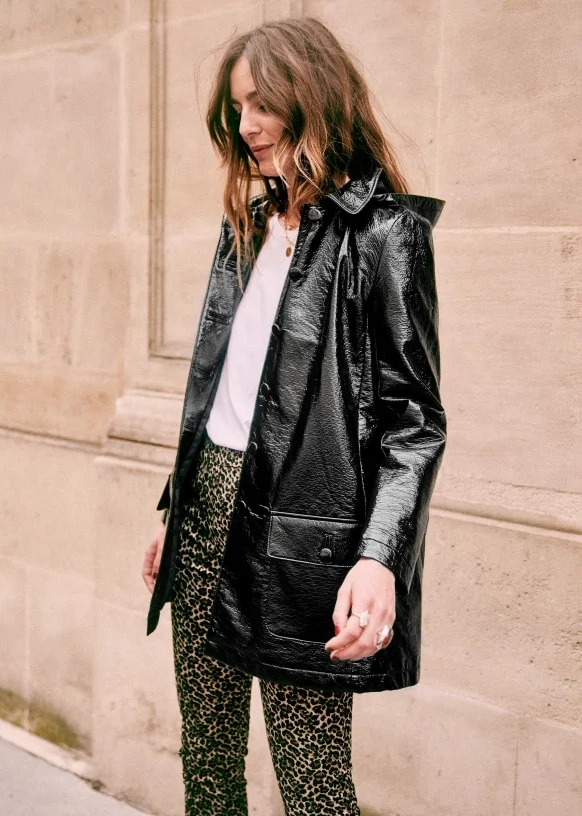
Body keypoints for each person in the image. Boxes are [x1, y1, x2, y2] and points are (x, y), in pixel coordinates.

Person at [142, 16, 446, 816]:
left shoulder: (385, 236)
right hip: (208, 504)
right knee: (208, 756)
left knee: (312, 782)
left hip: (307, 531)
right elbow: (223, 388)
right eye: (237, 107)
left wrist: (380, 558)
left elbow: (414, 423)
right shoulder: (245, 226)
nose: (246, 125)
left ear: (314, 98)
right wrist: (177, 508)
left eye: (263, 103)